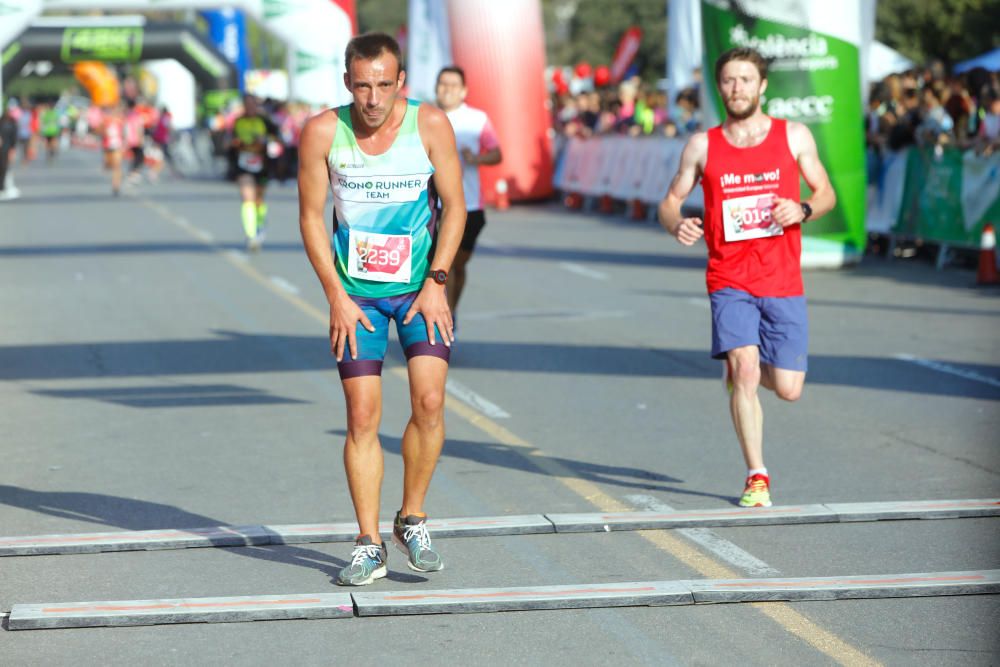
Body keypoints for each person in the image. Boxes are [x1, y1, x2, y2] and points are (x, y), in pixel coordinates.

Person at [298, 32, 464, 586]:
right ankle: (368, 542)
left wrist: (439, 281)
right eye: (363, 86)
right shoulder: (323, 132)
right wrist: (336, 297)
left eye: (384, 86)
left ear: (400, 84)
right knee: (363, 416)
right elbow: (310, 219)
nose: (373, 99)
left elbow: (456, 208)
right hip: (357, 294)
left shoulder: (430, 125)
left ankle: (412, 516)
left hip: (421, 287)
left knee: (431, 399)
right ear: (348, 82)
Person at [657, 47, 836, 508]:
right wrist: (677, 222)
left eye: (746, 80)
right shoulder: (702, 144)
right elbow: (670, 200)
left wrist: (803, 209)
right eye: (729, 81)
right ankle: (757, 475)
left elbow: (826, 191)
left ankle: (747, 378)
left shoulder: (793, 136)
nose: (737, 88)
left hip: (781, 278)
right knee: (744, 368)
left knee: (789, 388)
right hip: (728, 277)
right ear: (719, 87)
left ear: (763, 86)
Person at [433, 65, 502, 316]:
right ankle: (442, 322)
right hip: (431, 206)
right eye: (443, 84)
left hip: (468, 206)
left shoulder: (477, 120)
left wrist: (477, 159)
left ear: (463, 91)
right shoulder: (424, 116)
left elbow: (496, 153)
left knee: (456, 267)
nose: (447, 90)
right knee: (442, 266)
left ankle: (451, 312)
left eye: (453, 85)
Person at [231, 95, 276, 250]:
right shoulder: (238, 122)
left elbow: (277, 138)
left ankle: (260, 223)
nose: (250, 107)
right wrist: (237, 144)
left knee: (258, 199)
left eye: (253, 105)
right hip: (243, 165)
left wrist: (264, 141)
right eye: (247, 105)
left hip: (262, 165)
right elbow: (229, 142)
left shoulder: (264, 121)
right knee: (247, 198)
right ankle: (251, 235)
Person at [102, 104, 126, 196]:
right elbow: (100, 131)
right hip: (107, 145)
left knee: (117, 166)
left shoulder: (121, 121)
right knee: (109, 164)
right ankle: (106, 165)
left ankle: (116, 186)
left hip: (117, 146)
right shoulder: (106, 120)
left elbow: (125, 132)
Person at [0, 103, 19, 200]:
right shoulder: (1, 122)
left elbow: (14, 138)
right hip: (3, 148)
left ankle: (2, 187)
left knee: (4, 167)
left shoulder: (12, 123)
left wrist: (12, 149)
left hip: (6, 148)